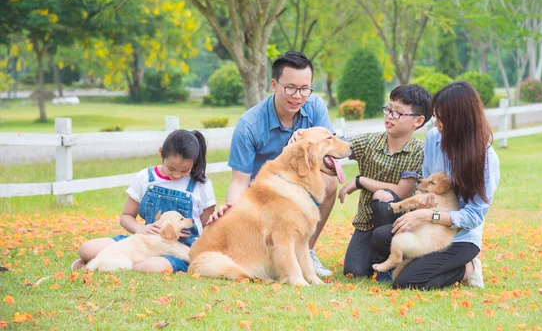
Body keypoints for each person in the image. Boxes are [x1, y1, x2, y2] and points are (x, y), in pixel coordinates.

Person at [209, 51, 337, 276]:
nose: (297, 95)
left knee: (329, 181)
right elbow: (239, 181)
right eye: (290, 88)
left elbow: (328, 150)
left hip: (300, 184)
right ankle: (266, 256)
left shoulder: (315, 106)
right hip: (264, 196)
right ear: (274, 85)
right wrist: (231, 210)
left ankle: (306, 251)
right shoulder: (249, 125)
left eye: (304, 88)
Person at [371, 81, 500, 289]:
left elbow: (474, 216)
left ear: (461, 121)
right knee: (380, 237)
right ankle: (421, 260)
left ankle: (468, 267)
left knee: (407, 281)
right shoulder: (434, 138)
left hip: (461, 237)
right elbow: (427, 181)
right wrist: (423, 205)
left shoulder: (485, 158)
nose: (437, 124)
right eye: (436, 117)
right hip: (429, 229)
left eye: (442, 119)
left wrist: (430, 215)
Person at [71, 129, 216, 273]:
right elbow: (126, 216)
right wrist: (139, 229)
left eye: (185, 171)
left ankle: (111, 264)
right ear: (161, 153)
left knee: (150, 267)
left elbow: (208, 225)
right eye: (171, 168)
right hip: (145, 243)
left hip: (180, 249)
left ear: (194, 163)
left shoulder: (201, 184)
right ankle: (105, 262)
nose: (177, 175)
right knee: (86, 249)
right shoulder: (145, 177)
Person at [339, 85, 432, 279]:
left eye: (398, 113)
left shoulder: (419, 151)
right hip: (366, 223)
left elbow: (402, 191)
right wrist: (311, 137)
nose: (390, 116)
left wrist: (360, 181)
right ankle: (374, 258)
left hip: (397, 225)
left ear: (418, 120)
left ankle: (391, 262)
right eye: (389, 110)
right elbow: (340, 145)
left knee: (384, 198)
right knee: (353, 272)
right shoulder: (370, 142)